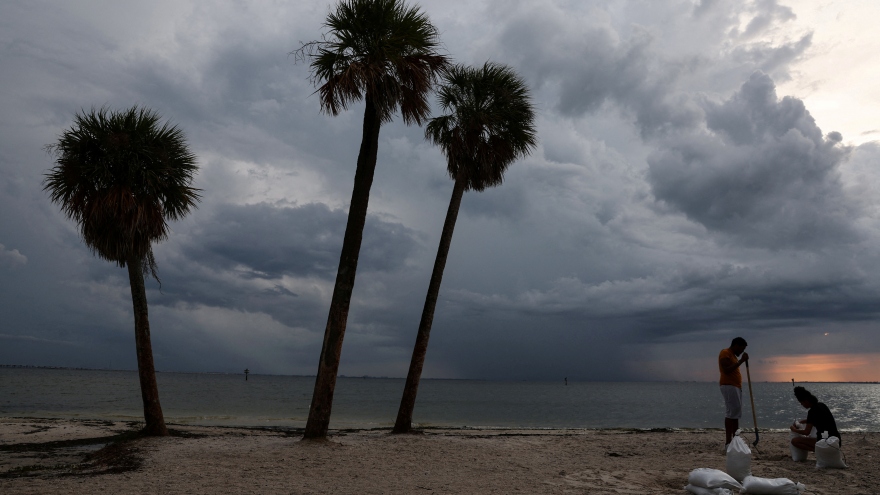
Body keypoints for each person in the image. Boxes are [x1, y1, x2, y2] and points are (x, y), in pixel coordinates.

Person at [718, 337, 749, 449]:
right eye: (742, 348)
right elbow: (726, 369)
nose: (741, 351)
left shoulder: (734, 357)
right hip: (728, 386)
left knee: (735, 413)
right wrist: (741, 361)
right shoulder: (725, 353)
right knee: (731, 413)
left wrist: (740, 360)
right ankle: (728, 442)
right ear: (736, 345)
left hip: (735, 386)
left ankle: (736, 439)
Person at [790, 386, 842, 451]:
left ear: (806, 401)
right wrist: (802, 421)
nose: (801, 405)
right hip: (836, 440)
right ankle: (821, 450)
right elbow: (819, 419)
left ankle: (819, 451)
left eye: (801, 403)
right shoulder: (822, 405)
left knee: (795, 441)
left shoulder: (812, 412)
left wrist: (794, 429)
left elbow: (806, 432)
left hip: (825, 441)